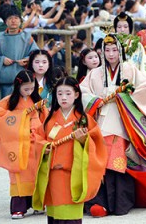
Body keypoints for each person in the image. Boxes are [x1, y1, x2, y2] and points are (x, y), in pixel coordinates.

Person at [80, 34, 146, 217]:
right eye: (107, 50)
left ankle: (121, 203)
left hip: (123, 121)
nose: (111, 54)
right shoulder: (95, 73)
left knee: (119, 160)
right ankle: (100, 202)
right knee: (100, 161)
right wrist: (95, 100)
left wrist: (127, 98)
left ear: (120, 51)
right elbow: (83, 91)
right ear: (102, 52)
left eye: (115, 50)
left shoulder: (129, 69)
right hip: (103, 119)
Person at [33, 76, 107, 223]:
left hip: (72, 176)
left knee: (70, 217)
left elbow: (97, 141)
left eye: (68, 93)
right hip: (53, 176)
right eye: (59, 94)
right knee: (55, 217)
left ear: (76, 94)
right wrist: (44, 148)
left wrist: (84, 140)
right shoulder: (50, 119)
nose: (63, 97)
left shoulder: (84, 119)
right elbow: (38, 138)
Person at [0, 70, 47, 219]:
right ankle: (18, 207)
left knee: (36, 172)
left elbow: (45, 118)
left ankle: (37, 204)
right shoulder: (9, 101)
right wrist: (21, 116)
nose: (29, 92)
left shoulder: (37, 100)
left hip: (34, 142)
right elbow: (0, 114)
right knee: (18, 174)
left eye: (32, 88)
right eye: (26, 89)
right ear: (18, 86)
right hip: (18, 144)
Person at [0, 5, 38, 112]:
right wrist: (1, 59)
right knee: (6, 113)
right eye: (10, 18)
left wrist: (27, 59)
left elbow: (36, 54)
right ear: (5, 21)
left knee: (22, 113)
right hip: (4, 85)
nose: (13, 21)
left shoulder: (27, 38)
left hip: (23, 85)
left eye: (16, 18)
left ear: (20, 20)